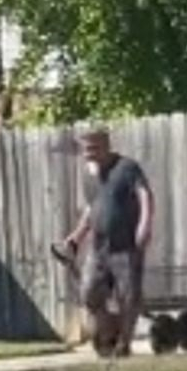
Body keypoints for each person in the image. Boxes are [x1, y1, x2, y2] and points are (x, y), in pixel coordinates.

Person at [63, 128, 154, 357]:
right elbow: (91, 210)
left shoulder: (127, 168)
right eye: (85, 149)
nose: (88, 153)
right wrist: (77, 236)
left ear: (105, 145)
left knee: (128, 296)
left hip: (125, 247)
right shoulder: (91, 176)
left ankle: (124, 344)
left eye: (92, 148)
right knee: (89, 293)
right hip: (99, 248)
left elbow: (145, 195)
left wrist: (145, 224)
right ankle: (110, 327)